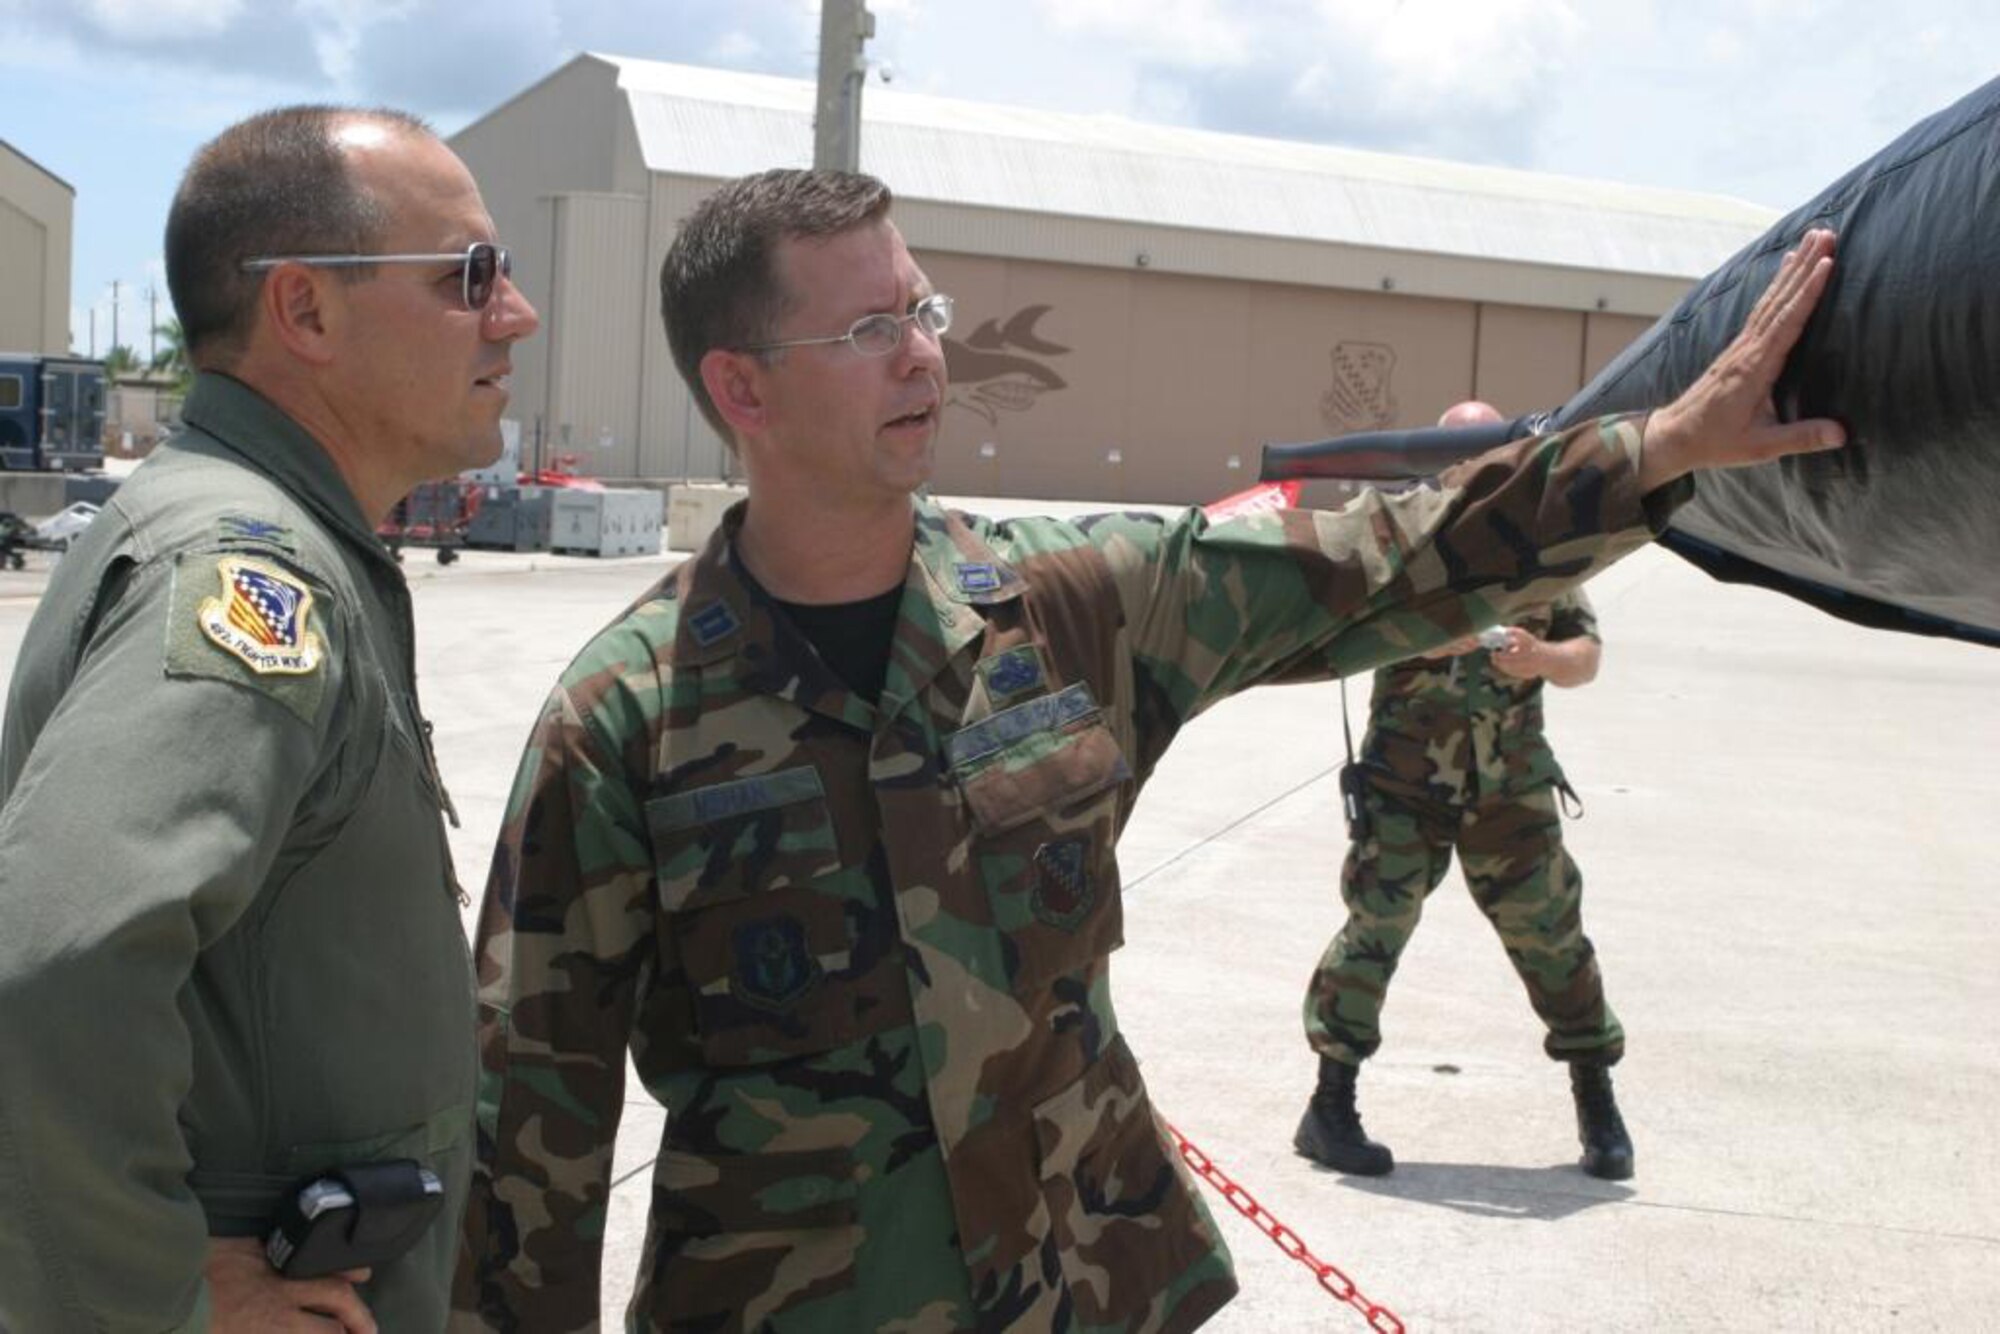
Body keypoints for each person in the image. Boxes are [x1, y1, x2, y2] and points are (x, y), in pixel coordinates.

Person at [452, 166, 1840, 1332]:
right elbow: (528, 1141)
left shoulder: (1076, 605)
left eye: (923, 310)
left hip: (1087, 1287)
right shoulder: (627, 722)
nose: (924, 353)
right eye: (869, 328)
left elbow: (1375, 558)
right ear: (741, 388)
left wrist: (1658, 449)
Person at [0, 105, 538, 1331]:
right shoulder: (246, 573)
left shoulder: (281, 541)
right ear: (305, 309)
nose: (514, 313)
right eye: (468, 275)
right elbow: (49, 973)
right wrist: (162, 1294)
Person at [1295, 399, 1633, 1184]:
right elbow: (1337, 636)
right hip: (1404, 784)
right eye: (1461, 451)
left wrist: (1540, 656)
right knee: (1374, 930)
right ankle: (1330, 1106)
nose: (1476, 465)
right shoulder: (1397, 533)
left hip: (1511, 786)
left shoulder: (1545, 541)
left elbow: (1585, 656)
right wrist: (1422, 639)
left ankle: (1596, 1100)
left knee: (1552, 938)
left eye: (1487, 449)